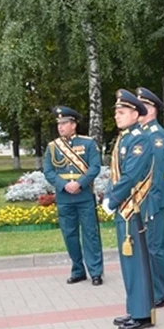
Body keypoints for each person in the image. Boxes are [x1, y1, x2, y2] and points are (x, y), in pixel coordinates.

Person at [103, 90, 154, 329]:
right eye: (116, 112)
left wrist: (112, 199)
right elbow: (116, 173)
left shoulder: (140, 140)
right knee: (128, 262)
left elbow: (132, 175)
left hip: (133, 207)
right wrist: (107, 194)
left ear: (135, 114)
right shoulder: (125, 138)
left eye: (121, 112)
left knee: (136, 262)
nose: (117, 116)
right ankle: (134, 308)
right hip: (124, 206)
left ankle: (143, 314)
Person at [42, 106, 105, 286]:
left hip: (84, 196)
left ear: (73, 124)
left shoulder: (88, 143)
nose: (60, 127)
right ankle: (78, 270)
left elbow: (94, 167)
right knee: (69, 235)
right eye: (58, 124)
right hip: (64, 198)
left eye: (64, 123)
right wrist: (64, 185)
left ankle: (95, 272)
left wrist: (79, 183)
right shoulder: (53, 147)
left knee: (90, 234)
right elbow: (48, 170)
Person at [136, 87, 164, 305]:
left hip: (154, 199)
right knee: (149, 247)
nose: (139, 112)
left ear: (152, 110)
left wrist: (151, 202)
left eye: (143, 108)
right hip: (144, 199)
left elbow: (159, 174)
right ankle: (155, 289)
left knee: (156, 247)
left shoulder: (157, 137)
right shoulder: (143, 135)